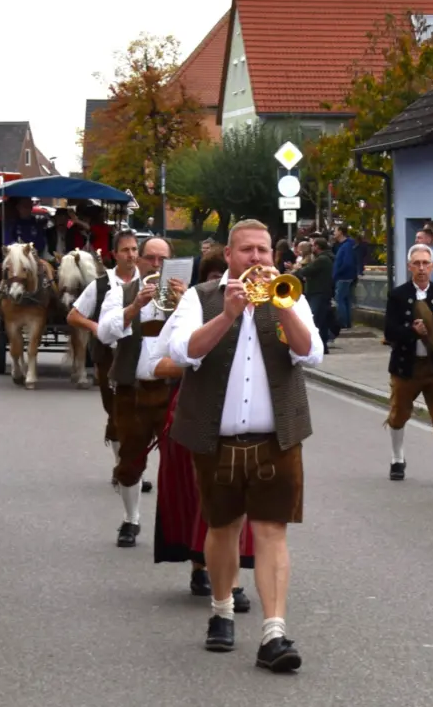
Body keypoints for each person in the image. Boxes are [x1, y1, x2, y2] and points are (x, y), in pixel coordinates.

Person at [164, 219, 323, 672]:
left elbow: (310, 352)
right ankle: (221, 609)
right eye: (247, 251)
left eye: (264, 251)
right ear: (229, 256)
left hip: (278, 440)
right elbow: (182, 353)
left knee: (272, 530)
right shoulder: (200, 298)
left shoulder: (291, 296)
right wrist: (229, 314)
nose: (257, 259)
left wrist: (284, 306)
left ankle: (274, 632)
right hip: (215, 439)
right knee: (222, 527)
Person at [154, 255, 253, 611]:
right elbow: (155, 363)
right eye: (214, 279)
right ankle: (200, 565)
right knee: (202, 498)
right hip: (196, 412)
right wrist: (197, 362)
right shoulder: (194, 304)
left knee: (239, 502)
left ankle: (234, 580)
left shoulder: (260, 305)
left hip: (242, 414)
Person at [97, 236, 183, 546]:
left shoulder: (186, 297)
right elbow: (105, 333)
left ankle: (180, 525)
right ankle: (131, 519)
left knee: (182, 462)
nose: (156, 266)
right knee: (131, 461)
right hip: (132, 390)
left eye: (163, 260)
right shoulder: (120, 293)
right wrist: (134, 307)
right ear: (138, 260)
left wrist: (185, 304)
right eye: (150, 259)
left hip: (172, 391)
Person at [382, 243, 433, 487]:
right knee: (399, 414)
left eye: (426, 264)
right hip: (407, 366)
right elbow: (389, 332)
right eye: (417, 264)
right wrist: (411, 331)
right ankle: (397, 458)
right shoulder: (398, 295)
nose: (422, 268)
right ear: (409, 266)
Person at [69, 231, 140, 455]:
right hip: (109, 359)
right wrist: (95, 327)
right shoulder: (100, 286)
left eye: (134, 249)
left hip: (141, 356)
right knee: (116, 411)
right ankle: (123, 464)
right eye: (125, 250)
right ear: (114, 255)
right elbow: (73, 316)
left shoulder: (148, 282)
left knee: (141, 414)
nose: (131, 255)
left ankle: (133, 465)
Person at [294, 239, 334, 352]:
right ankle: (323, 345)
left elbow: (307, 270)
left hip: (318, 292)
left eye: (313, 246)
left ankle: (318, 346)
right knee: (322, 320)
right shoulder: (326, 258)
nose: (312, 248)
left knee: (315, 319)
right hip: (322, 292)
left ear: (317, 247)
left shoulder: (322, 259)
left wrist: (298, 270)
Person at [332, 225, 360, 331]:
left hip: (344, 276)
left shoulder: (346, 246)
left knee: (340, 299)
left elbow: (347, 262)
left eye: (335, 230)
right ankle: (347, 323)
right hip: (347, 276)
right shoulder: (346, 245)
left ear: (340, 232)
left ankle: (343, 322)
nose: (334, 233)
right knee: (346, 299)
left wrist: (337, 273)